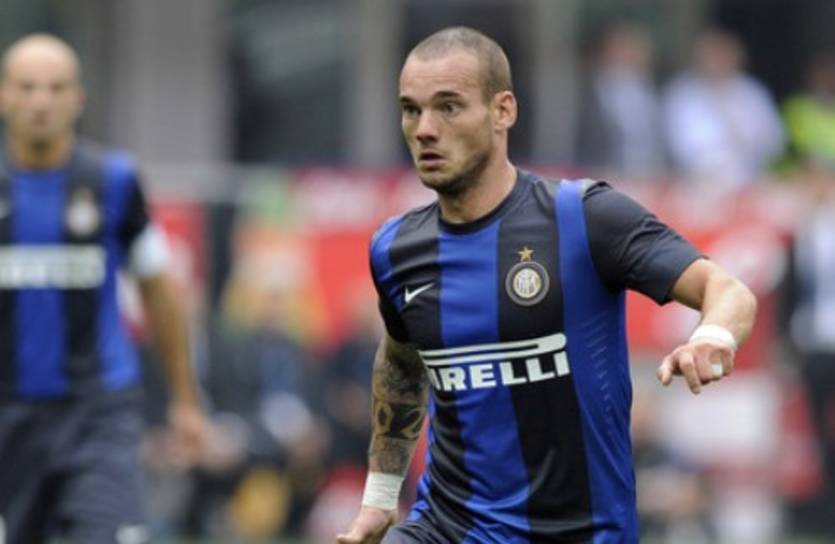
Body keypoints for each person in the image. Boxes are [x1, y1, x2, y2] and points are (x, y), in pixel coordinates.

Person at [337, 26, 757, 543]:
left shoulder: (584, 217)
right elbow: (401, 366)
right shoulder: (396, 248)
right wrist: (380, 498)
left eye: (448, 107)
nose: (424, 129)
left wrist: (712, 336)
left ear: (503, 111)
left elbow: (728, 290)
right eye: (411, 109)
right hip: (448, 529)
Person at [0, 34, 206, 543]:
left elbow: (157, 290)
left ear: (78, 98)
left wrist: (185, 399)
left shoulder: (114, 181)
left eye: (56, 88)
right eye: (27, 87)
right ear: (4, 95)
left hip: (97, 411)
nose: (41, 101)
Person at [662, 28, 784, 188]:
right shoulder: (682, 94)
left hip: (752, 179)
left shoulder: (753, 92)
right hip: (698, 182)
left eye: (725, 55)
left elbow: (774, 138)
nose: (718, 61)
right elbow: (680, 145)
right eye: (713, 55)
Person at [575, 20, 667, 180]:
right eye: (623, 47)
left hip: (649, 176)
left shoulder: (650, 89)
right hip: (606, 176)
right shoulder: (590, 91)